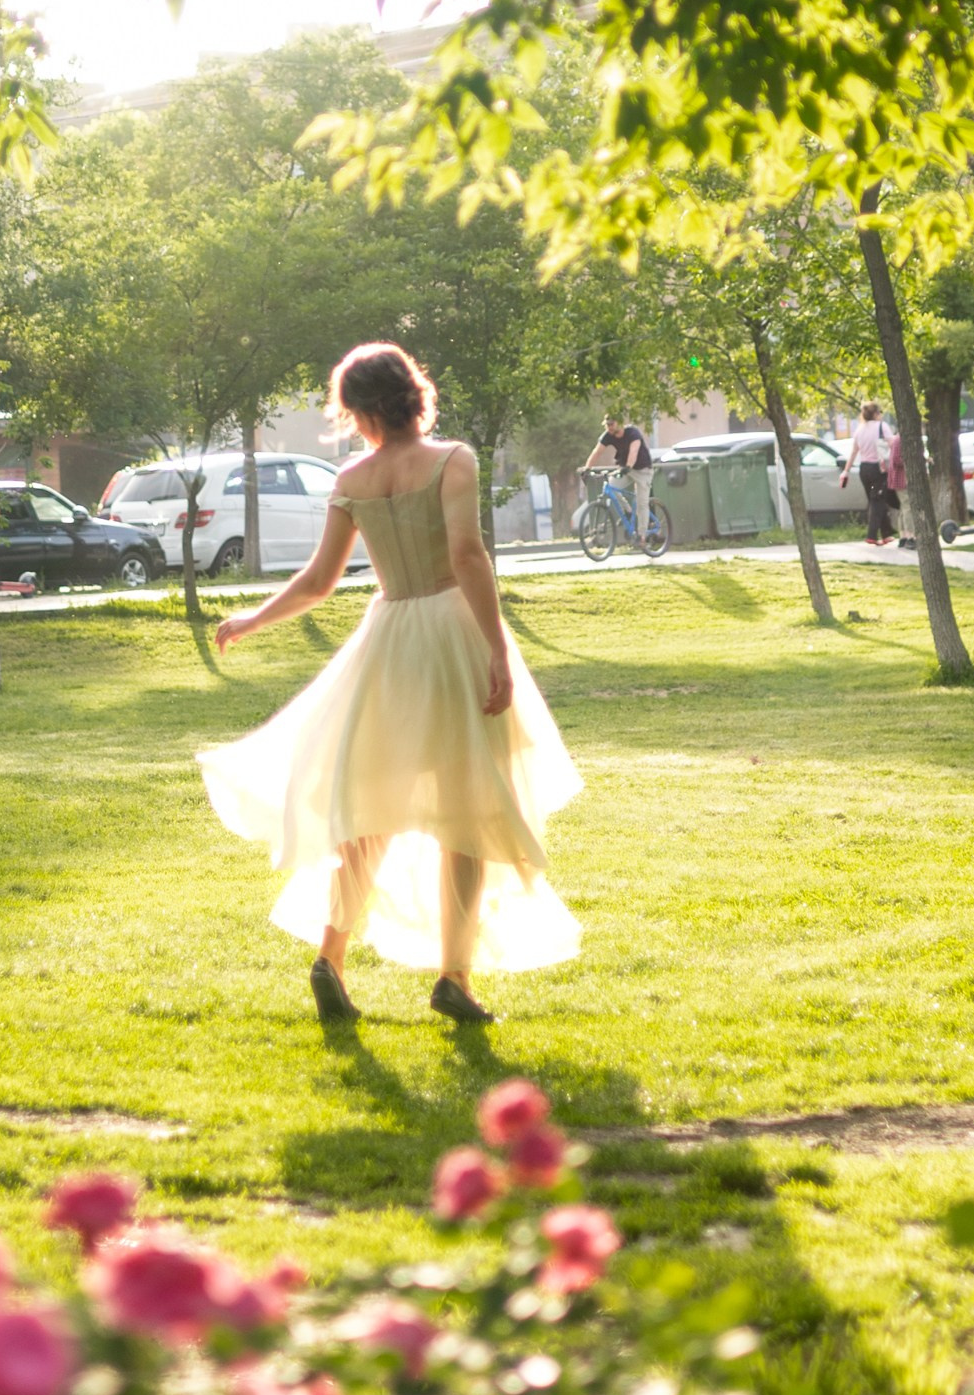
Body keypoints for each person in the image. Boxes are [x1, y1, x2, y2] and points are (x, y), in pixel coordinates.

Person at [203, 340, 582, 1028]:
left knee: (368, 809)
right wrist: (497, 648)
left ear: (359, 410)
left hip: (387, 640)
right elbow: (467, 555)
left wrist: (252, 618)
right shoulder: (453, 460)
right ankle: (454, 976)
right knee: (469, 809)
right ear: (413, 394)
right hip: (451, 632)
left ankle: (330, 958)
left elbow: (319, 583)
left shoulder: (351, 479)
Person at [582, 412, 655, 540]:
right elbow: (597, 452)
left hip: (643, 470)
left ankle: (642, 535)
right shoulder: (608, 436)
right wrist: (587, 468)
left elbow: (634, 451)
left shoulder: (633, 433)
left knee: (641, 503)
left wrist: (628, 466)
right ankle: (627, 511)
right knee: (611, 487)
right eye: (607, 424)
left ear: (620, 423)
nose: (609, 427)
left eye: (611, 424)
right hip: (625, 469)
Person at [841, 399, 903, 547]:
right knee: (878, 500)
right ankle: (872, 536)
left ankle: (887, 533)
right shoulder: (882, 427)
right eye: (879, 412)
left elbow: (854, 452)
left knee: (875, 499)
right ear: (875, 413)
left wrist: (846, 471)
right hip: (878, 468)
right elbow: (892, 445)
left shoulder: (859, 430)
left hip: (864, 469)